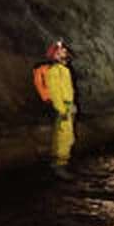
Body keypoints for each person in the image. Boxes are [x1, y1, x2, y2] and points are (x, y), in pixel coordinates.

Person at [44, 40, 76, 179]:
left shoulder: (64, 70)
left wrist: (72, 105)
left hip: (68, 106)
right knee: (63, 137)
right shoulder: (54, 71)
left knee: (67, 136)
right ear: (56, 55)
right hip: (63, 108)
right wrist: (62, 109)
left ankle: (62, 164)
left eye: (65, 51)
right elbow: (55, 92)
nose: (65, 52)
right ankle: (59, 165)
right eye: (62, 51)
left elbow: (68, 91)